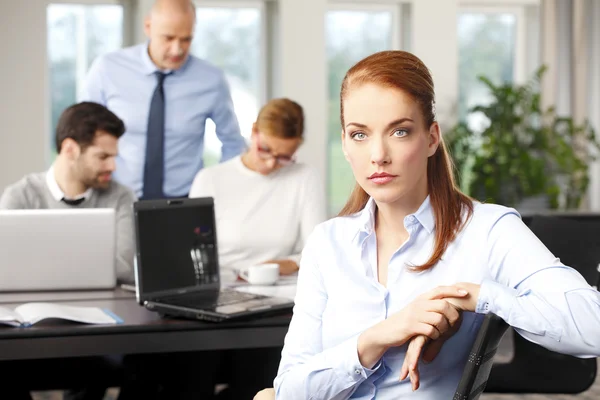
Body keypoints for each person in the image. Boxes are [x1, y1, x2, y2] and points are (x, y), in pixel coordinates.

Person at [273, 50, 600, 399]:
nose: (378, 154)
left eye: (399, 131)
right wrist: (375, 339)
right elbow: (288, 390)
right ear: (344, 143)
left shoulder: (487, 230)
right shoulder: (327, 243)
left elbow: (592, 327)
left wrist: (478, 296)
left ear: (431, 138)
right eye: (359, 134)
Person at [0, 101, 136, 399]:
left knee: (141, 363)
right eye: (103, 156)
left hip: (98, 328)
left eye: (114, 156)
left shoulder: (120, 196)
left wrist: (39, 269)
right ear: (70, 148)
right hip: (29, 329)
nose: (112, 166)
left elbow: (124, 265)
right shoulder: (19, 196)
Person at [80, 0, 247, 200]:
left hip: (185, 201)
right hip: (116, 197)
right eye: (168, 38)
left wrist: (218, 189)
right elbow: (83, 134)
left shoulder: (211, 80)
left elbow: (233, 143)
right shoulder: (107, 69)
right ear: (148, 27)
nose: (177, 50)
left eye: (186, 39)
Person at [189, 97, 327, 277]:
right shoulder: (209, 180)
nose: (271, 164)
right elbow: (191, 252)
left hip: (280, 290)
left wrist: (287, 264)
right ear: (254, 131)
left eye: (284, 157)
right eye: (265, 150)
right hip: (226, 287)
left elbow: (319, 252)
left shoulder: (304, 178)